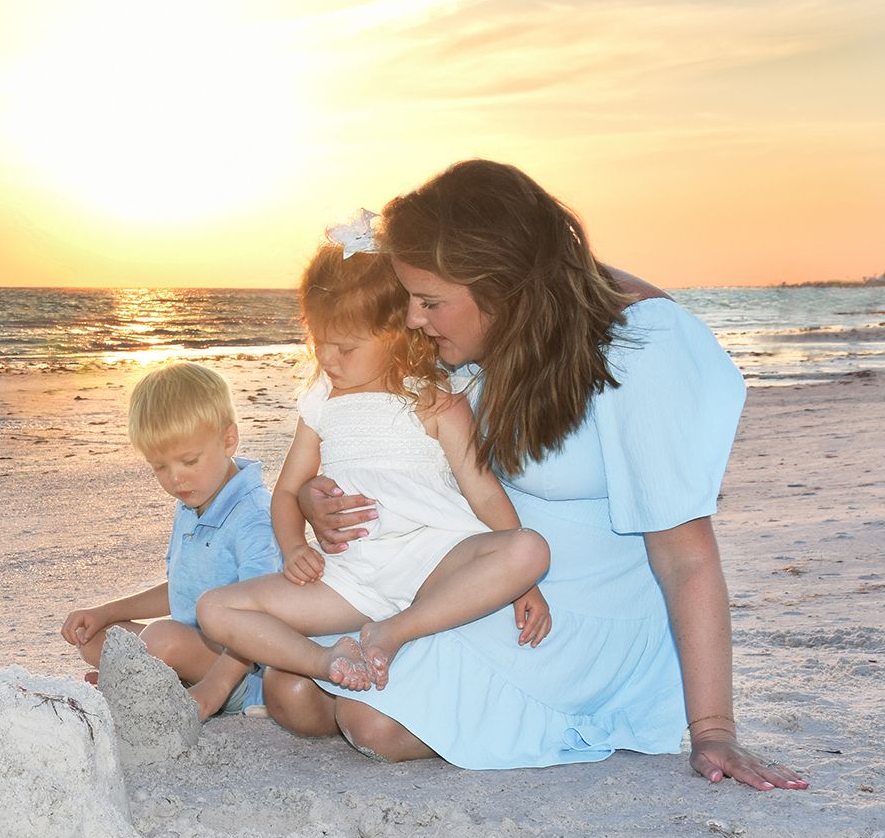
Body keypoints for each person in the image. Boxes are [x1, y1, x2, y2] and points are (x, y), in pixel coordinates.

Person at [264, 159, 805, 791]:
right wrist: (310, 496)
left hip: (578, 606)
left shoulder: (640, 348)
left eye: (430, 302)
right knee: (290, 692)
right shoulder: (475, 342)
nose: (411, 319)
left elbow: (686, 558)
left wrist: (713, 729)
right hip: (469, 567)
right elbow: (387, 447)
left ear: (501, 289)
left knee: (368, 720)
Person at [197, 223, 552, 695]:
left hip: (434, 559)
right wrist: (295, 547)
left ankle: (396, 631)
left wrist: (522, 584)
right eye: (319, 341)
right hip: (349, 579)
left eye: (345, 347)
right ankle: (327, 660)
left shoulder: (435, 401)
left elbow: (482, 488)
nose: (327, 358)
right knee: (215, 609)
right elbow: (286, 490)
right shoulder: (321, 403)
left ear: (396, 335)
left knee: (529, 548)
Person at [61, 361, 282, 722]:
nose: (176, 479)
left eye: (189, 460)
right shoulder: (194, 499)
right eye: (159, 467)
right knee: (98, 638)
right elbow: (182, 589)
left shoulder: (253, 516)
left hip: (243, 670)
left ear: (228, 440)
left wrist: (212, 692)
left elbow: (266, 616)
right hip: (192, 647)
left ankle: (152, 683)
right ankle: (150, 679)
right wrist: (105, 612)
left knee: (160, 639)